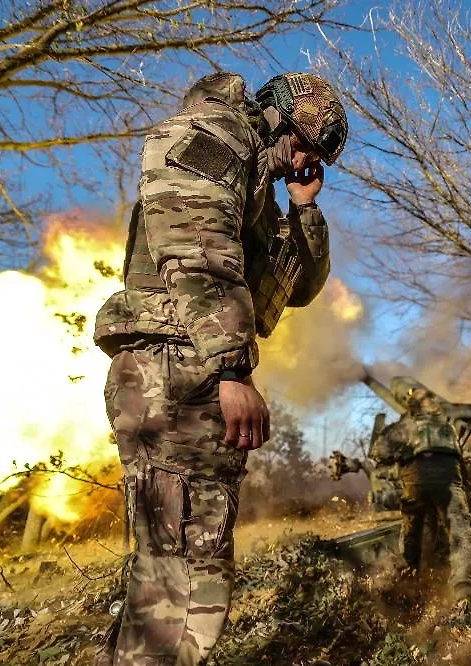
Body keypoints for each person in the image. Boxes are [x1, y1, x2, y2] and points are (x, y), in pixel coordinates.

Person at [93, 70, 348, 665]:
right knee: (181, 583)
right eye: (310, 148)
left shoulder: (255, 177)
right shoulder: (214, 135)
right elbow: (197, 253)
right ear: (288, 121)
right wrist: (230, 372)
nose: (306, 163)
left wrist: (302, 210)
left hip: (190, 368)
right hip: (178, 371)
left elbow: (295, 288)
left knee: (180, 574)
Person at [376, 388, 471, 601]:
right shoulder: (449, 429)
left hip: (415, 484)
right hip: (450, 486)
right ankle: (464, 585)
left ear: (412, 408)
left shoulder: (405, 426)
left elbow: (380, 452)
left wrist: (398, 455)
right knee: (460, 530)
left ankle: (407, 580)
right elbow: (463, 462)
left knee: (411, 532)